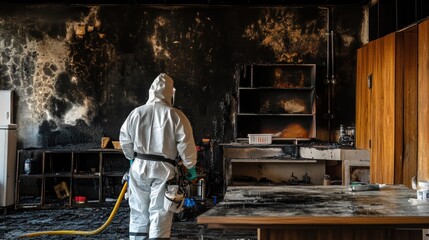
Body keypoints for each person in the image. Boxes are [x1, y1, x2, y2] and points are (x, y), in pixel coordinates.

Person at [119, 73, 197, 240]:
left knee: (138, 210)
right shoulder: (176, 115)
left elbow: (124, 139)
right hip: (164, 170)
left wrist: (131, 157)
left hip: (139, 167)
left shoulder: (136, 113)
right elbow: (186, 143)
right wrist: (190, 166)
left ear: (151, 91)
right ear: (170, 93)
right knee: (160, 211)